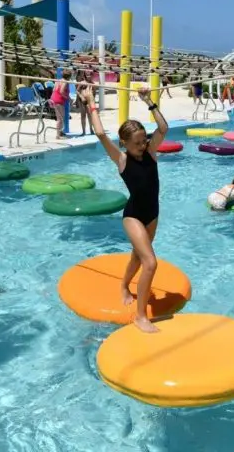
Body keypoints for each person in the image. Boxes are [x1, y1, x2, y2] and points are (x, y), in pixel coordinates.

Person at [81, 85, 168, 333]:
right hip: (134, 217)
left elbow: (163, 129)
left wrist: (148, 100)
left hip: (153, 214)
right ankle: (141, 316)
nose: (143, 145)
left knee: (137, 257)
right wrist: (90, 101)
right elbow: (99, 133)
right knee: (150, 262)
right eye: (138, 142)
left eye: (144, 140)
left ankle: (123, 285)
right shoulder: (121, 160)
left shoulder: (151, 153)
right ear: (125, 143)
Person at [49, 73, 72, 140]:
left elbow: (53, 90)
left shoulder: (57, 81)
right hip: (59, 101)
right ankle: (58, 136)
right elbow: (61, 91)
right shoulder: (65, 82)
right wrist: (68, 98)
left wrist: (51, 100)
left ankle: (60, 132)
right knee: (60, 119)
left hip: (54, 99)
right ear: (69, 77)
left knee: (60, 118)